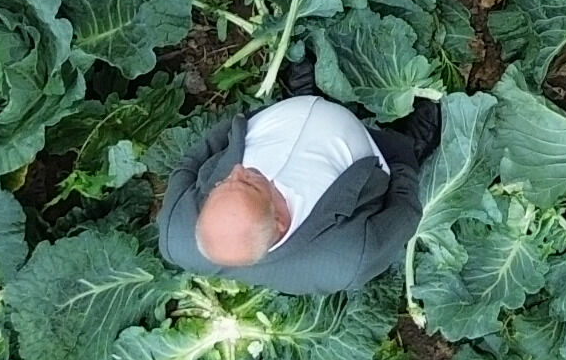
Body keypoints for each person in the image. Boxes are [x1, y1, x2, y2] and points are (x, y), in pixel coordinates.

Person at [156, 92, 444, 296]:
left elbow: (190, 163)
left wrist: (239, 122)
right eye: (250, 184)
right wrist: (402, 162)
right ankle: (407, 141)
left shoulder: (176, 233)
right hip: (373, 148)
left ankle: (303, 94)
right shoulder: (346, 259)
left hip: (280, 119)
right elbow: (405, 212)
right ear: (279, 221)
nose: (237, 171)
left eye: (219, 187)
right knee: (401, 148)